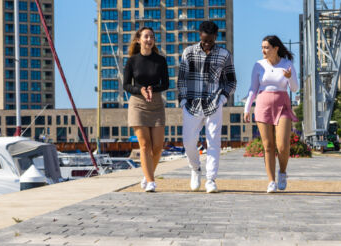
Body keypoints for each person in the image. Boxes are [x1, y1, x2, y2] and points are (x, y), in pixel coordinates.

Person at [179, 21, 236, 193]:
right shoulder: (188, 53)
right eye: (204, 41)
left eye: (210, 41)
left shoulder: (224, 55)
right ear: (200, 36)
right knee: (188, 141)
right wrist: (182, 100)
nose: (207, 44)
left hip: (214, 102)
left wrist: (223, 99)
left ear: (216, 37)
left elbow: (231, 80)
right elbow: (181, 79)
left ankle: (211, 179)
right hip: (191, 103)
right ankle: (195, 168)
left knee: (213, 142)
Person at [244, 35, 299, 193]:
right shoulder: (258, 65)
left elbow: (294, 88)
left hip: (282, 104)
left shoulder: (287, 64)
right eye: (262, 47)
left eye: (266, 47)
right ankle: (271, 181)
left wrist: (289, 78)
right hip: (263, 105)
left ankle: (282, 172)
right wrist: (247, 108)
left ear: (276, 48)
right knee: (268, 146)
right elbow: (253, 88)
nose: (263, 50)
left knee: (282, 146)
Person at [123, 27, 169, 192]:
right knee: (145, 144)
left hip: (156, 104)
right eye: (146, 36)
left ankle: (147, 175)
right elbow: (126, 85)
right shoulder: (132, 61)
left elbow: (166, 84)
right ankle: (150, 181)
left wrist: (153, 89)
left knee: (157, 147)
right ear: (138, 40)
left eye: (152, 37)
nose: (149, 39)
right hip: (137, 104)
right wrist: (140, 90)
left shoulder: (161, 60)